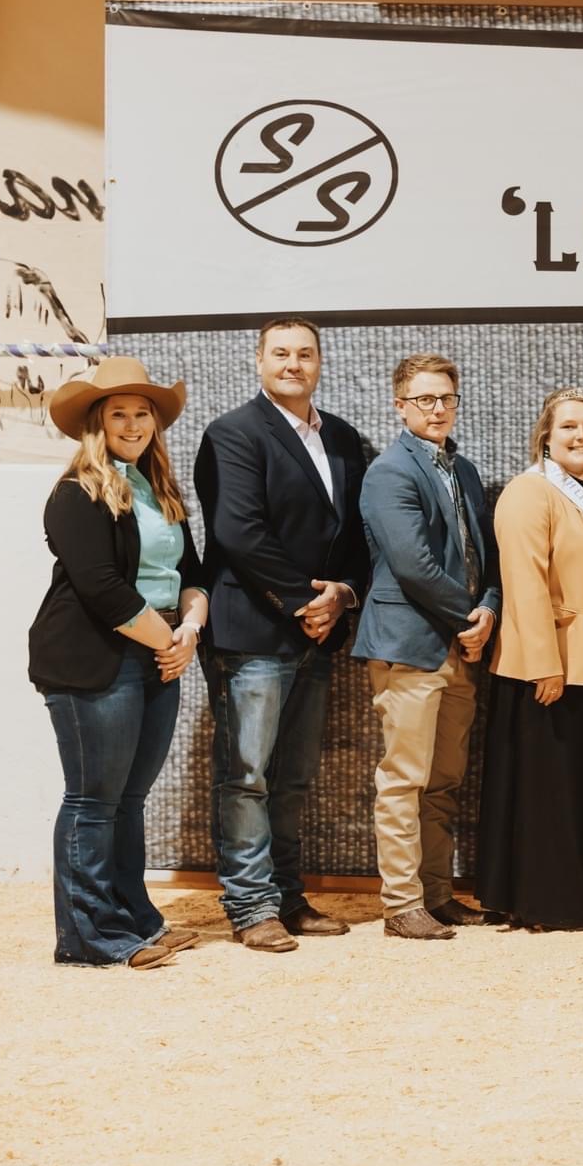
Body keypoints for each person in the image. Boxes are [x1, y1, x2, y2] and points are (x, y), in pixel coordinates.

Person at [195, 317, 369, 951]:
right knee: (246, 775)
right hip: (253, 632)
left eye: (305, 353)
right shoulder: (233, 434)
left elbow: (359, 534)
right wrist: (305, 603)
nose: (293, 364)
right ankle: (249, 905)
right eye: (281, 353)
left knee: (293, 777)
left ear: (320, 361)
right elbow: (239, 533)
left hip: (316, 633)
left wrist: (343, 595)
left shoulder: (346, 439)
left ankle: (289, 897)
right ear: (259, 360)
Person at [30, 358, 209, 970]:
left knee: (129, 800)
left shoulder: (157, 487)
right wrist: (169, 640)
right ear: (96, 424)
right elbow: (102, 587)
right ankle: (86, 937)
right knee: (91, 801)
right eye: (119, 414)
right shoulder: (76, 491)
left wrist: (190, 628)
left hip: (157, 648)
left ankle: (133, 918)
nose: (133, 424)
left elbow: (192, 573)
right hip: (93, 658)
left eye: (143, 414)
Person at [352, 354, 501, 942]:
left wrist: (489, 606)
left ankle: (437, 895)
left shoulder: (461, 470)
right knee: (404, 779)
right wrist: (472, 616)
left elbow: (482, 554)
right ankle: (401, 903)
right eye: (424, 399)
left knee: (443, 782)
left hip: (459, 644)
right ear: (400, 405)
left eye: (446, 398)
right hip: (409, 643)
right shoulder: (390, 472)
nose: (437, 409)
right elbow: (413, 565)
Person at [477, 387, 583, 931]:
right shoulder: (530, 491)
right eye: (569, 427)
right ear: (546, 434)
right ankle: (548, 902)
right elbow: (522, 584)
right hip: (550, 668)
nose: (582, 435)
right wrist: (546, 663)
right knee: (552, 791)